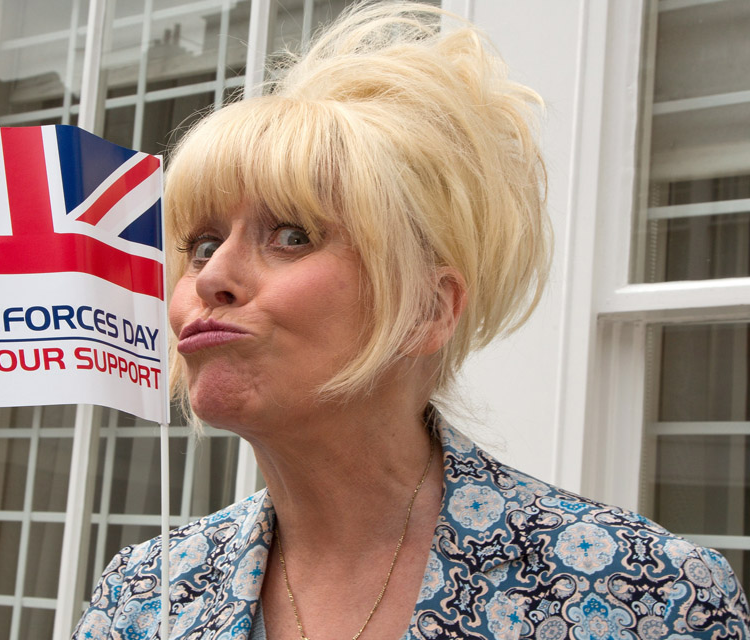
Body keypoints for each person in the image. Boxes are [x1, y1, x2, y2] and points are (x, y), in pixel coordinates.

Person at [73, 3, 750, 639]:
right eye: (201, 245)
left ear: (427, 310)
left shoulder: (649, 596)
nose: (211, 277)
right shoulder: (144, 595)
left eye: (292, 236)